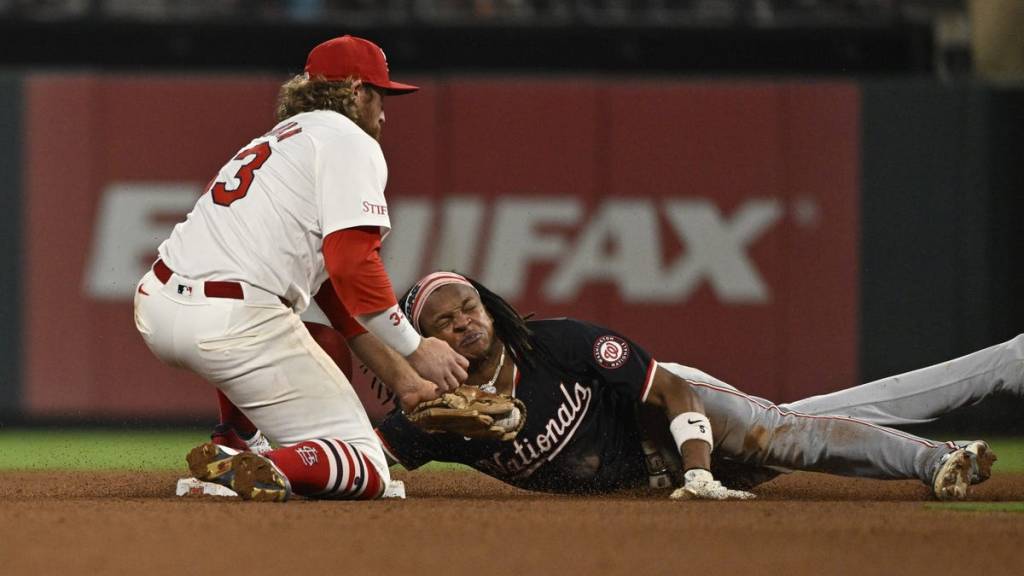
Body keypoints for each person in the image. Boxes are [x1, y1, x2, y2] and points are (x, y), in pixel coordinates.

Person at [133, 35, 469, 502]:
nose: (384, 111)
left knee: (313, 335)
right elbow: (354, 268)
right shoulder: (350, 141)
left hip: (158, 304)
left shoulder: (283, 138)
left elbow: (337, 295)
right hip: (231, 323)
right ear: (355, 91)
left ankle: (237, 439)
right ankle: (249, 465)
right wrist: (416, 348)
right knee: (367, 466)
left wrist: (404, 380)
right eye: (380, 94)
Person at [371, 271, 1006, 500]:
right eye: (443, 322)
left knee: (787, 438)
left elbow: (671, 391)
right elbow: (367, 450)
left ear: (490, 307)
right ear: (423, 342)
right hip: (662, 480)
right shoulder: (437, 416)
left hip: (682, 425)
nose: (463, 324)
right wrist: (282, 462)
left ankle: (939, 463)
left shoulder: (555, 343)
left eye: (469, 307)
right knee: (810, 423)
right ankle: (1006, 362)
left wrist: (699, 471)